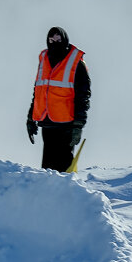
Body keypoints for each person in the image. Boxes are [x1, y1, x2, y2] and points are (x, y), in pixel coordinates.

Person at [27, 26, 91, 172]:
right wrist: (30, 118)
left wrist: (78, 125)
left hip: (67, 124)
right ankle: (48, 193)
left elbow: (83, 96)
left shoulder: (76, 63)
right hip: (47, 122)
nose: (54, 41)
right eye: (51, 38)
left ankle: (69, 192)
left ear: (65, 39)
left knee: (64, 169)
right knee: (48, 169)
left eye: (58, 38)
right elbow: (38, 91)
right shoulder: (44, 60)